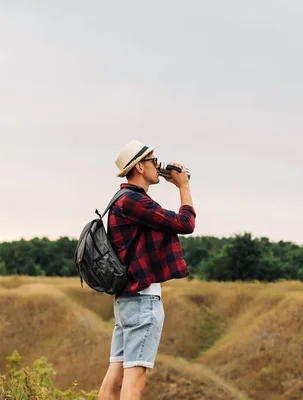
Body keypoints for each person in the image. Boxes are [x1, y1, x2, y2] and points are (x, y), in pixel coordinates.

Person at [97, 139, 196, 400]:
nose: (157, 165)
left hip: (127, 300)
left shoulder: (123, 199)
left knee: (115, 376)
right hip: (142, 300)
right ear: (139, 167)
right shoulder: (135, 202)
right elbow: (185, 223)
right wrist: (183, 186)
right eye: (153, 161)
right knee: (134, 382)